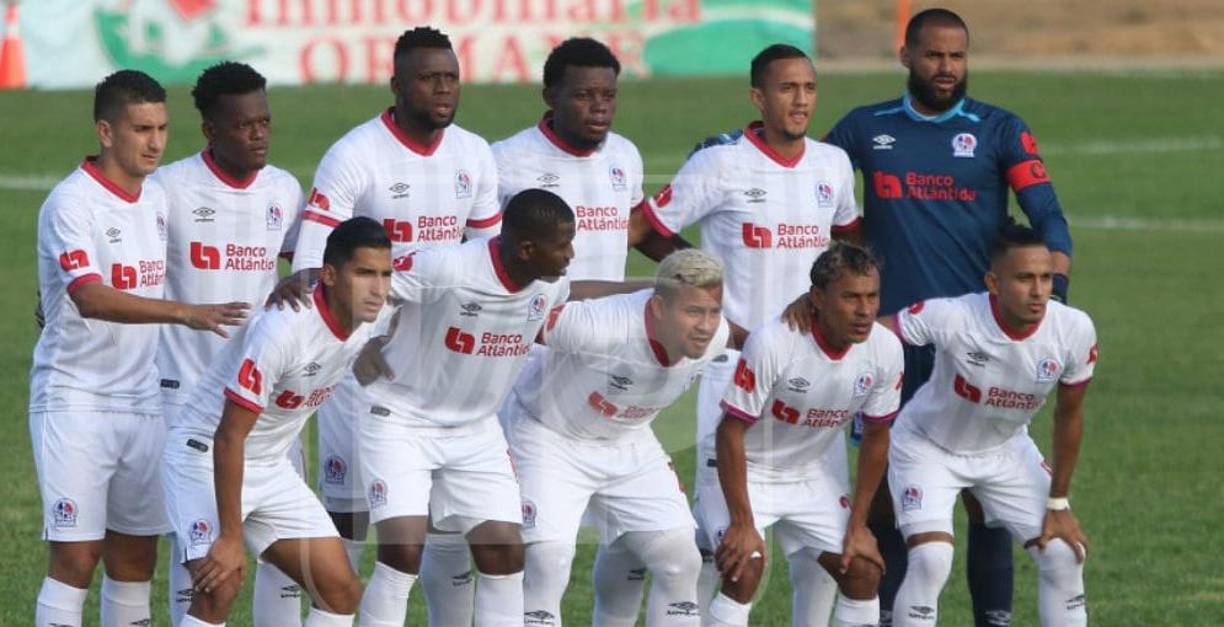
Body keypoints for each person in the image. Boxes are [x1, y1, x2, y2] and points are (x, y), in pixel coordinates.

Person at [821, 9, 1075, 625]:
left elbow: (1049, 216)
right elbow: (805, 178)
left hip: (976, 341)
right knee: (883, 491)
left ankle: (993, 617)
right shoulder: (865, 127)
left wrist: (1055, 298)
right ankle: (883, 613)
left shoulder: (999, 130)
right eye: (934, 55)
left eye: (957, 56)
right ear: (905, 54)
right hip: (889, 340)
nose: (946, 68)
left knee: (986, 495)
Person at [274, 27, 503, 622]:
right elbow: (311, 269)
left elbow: (489, 262)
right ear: (398, 85)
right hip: (362, 373)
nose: (443, 88)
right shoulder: (356, 154)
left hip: (442, 371)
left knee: (446, 531)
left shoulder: (474, 154)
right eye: (429, 78)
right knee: (347, 527)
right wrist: (357, 348)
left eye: (450, 77)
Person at [628, 43, 861, 619]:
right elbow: (643, 228)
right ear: (759, 96)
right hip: (733, 369)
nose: (800, 99)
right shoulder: (722, 164)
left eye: (808, 88)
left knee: (823, 552)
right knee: (722, 550)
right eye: (787, 88)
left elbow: (852, 245)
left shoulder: (831, 165)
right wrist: (704, 287)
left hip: (813, 376)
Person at [30, 69, 247, 627]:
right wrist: (184, 313)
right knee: (77, 556)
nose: (155, 142)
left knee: (135, 556)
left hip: (143, 401)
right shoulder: (71, 203)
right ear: (106, 131)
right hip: (75, 399)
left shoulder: (156, 199)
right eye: (141, 129)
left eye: (162, 129)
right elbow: (91, 296)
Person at [491, 37, 658, 623]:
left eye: (608, 95)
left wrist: (698, 275)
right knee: (539, 549)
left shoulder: (626, 157)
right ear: (550, 96)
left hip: (609, 373)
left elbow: (634, 229)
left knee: (637, 538)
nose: (599, 107)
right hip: (527, 372)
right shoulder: (505, 161)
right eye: (584, 94)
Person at [354, 189, 575, 627]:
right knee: (402, 552)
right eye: (563, 244)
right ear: (527, 249)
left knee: (505, 552)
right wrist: (365, 341)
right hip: (401, 418)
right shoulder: (447, 266)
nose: (571, 254)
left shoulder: (553, 285)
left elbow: (574, 304)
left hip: (475, 429)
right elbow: (366, 285)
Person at [163, 217, 393, 627]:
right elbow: (229, 437)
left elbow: (432, 274)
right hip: (203, 458)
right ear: (331, 276)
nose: (378, 288)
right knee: (221, 583)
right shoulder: (282, 331)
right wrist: (231, 539)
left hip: (270, 466)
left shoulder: (370, 312)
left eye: (384, 274)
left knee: (339, 590)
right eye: (364, 273)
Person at [153, 61, 306, 625]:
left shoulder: (284, 190)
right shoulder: (168, 189)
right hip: (185, 396)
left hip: (262, 401)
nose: (259, 133)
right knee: (197, 548)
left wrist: (301, 276)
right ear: (211, 131)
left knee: (282, 546)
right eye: (245, 125)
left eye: (265, 121)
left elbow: (310, 267)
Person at [883, 223, 1095, 626]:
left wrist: (1058, 503)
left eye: (1046, 277)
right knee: (931, 559)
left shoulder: (1073, 330)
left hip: (1005, 451)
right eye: (1024, 278)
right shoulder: (955, 316)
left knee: (1065, 554)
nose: (1038, 291)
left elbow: (1070, 415)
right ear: (993, 283)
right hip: (928, 447)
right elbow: (877, 335)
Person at [506, 249, 730, 627]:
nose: (706, 326)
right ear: (658, 308)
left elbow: (747, 341)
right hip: (549, 435)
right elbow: (518, 312)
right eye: (693, 311)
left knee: (681, 558)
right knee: (549, 558)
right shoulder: (598, 325)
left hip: (627, 440)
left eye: (714, 311)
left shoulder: (717, 337)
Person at [698, 243, 902, 627]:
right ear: (819, 298)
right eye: (851, 298)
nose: (864, 310)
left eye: (872, 297)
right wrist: (743, 522)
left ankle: (701, 532)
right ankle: (707, 527)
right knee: (745, 569)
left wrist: (858, 526)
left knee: (863, 571)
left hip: (809, 472)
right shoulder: (775, 342)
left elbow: (877, 436)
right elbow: (729, 432)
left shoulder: (886, 349)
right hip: (747, 467)